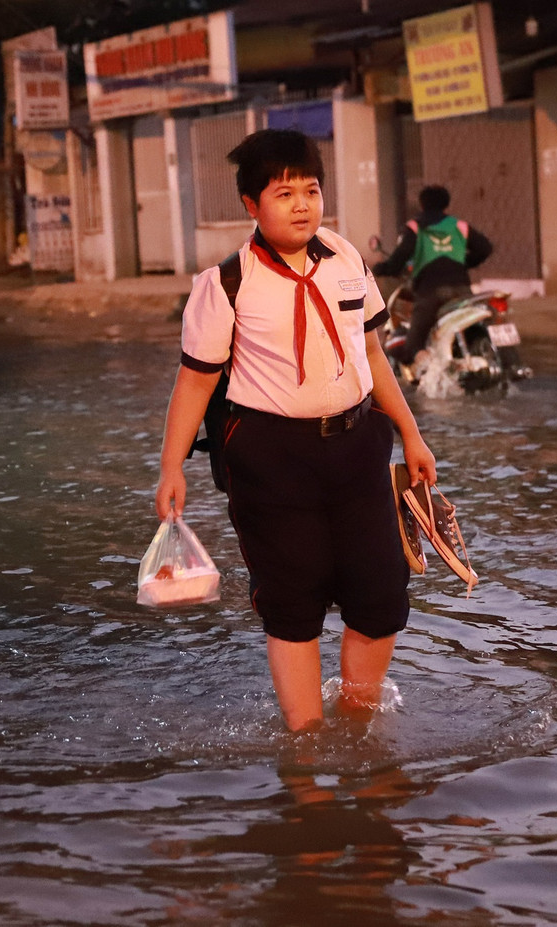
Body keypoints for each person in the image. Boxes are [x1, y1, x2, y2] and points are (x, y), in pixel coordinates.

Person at [153, 129, 437, 733]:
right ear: (251, 206)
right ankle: (306, 751)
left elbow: (374, 355)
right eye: (284, 194)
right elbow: (196, 383)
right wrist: (171, 467)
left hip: (359, 445)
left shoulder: (347, 259)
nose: (303, 204)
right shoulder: (225, 284)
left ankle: (357, 724)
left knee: (382, 597)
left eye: (312, 190)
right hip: (271, 458)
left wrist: (412, 434)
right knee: (293, 605)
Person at [371, 184, 493, 367]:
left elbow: (400, 257)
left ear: (422, 204)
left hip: (431, 292)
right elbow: (485, 248)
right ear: (446, 203)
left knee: (413, 344)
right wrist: (464, 263)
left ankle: (429, 373)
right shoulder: (458, 226)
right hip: (461, 290)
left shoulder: (415, 227)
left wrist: (382, 268)